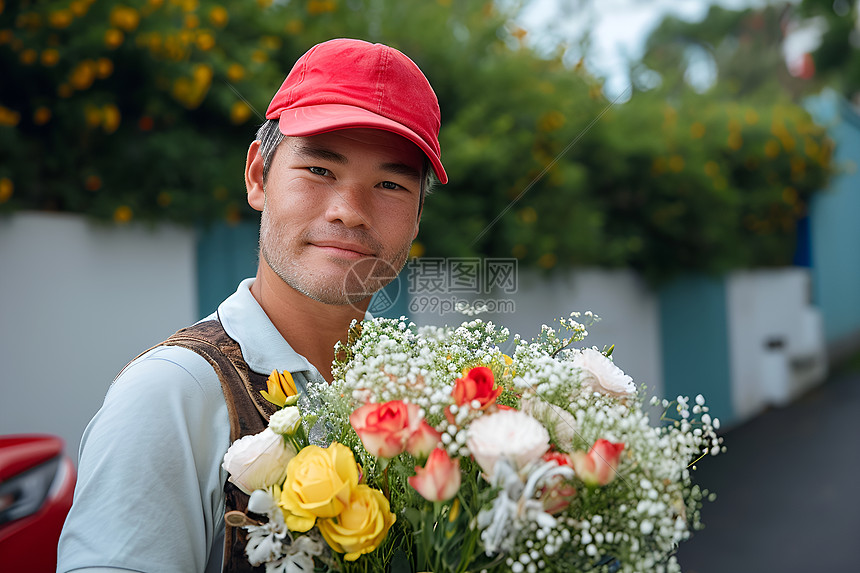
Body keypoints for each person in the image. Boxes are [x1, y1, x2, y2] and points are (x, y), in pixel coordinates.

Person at [56, 38, 447, 573]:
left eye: (389, 184)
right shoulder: (174, 394)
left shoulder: (425, 398)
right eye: (319, 171)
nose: (350, 212)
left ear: (418, 216)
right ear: (258, 177)